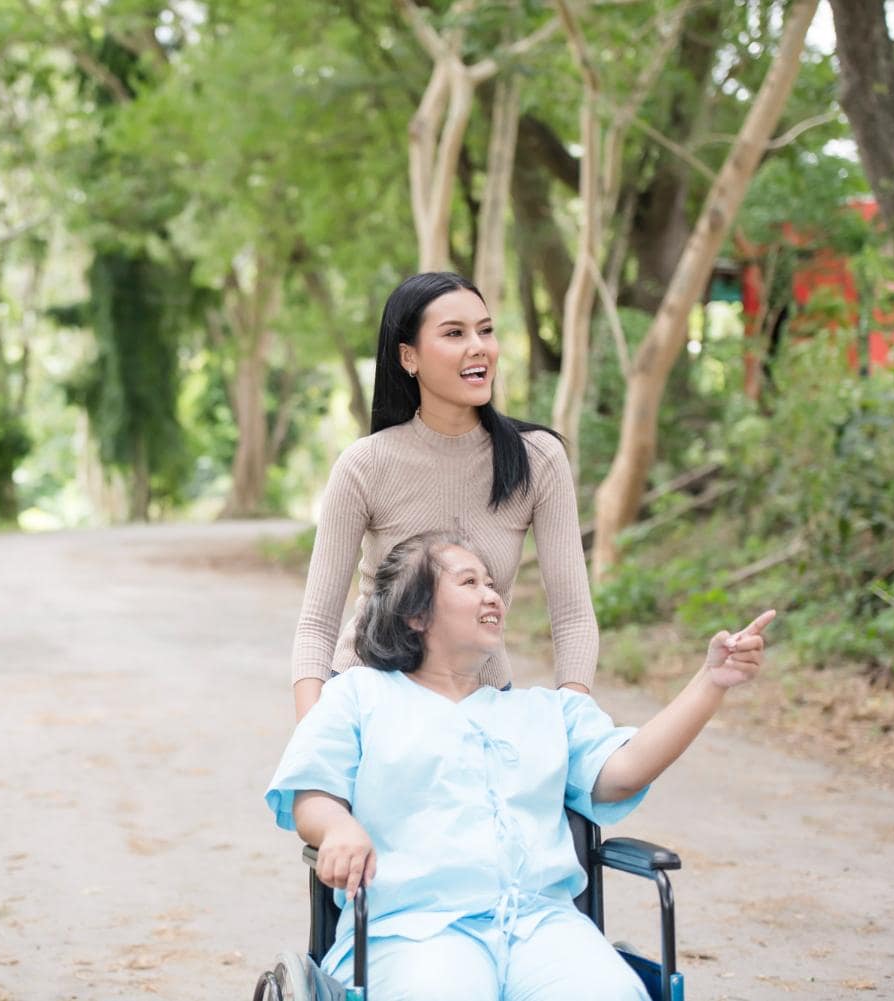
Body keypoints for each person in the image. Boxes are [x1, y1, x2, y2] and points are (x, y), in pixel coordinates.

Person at [266, 531, 774, 1000]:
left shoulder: (545, 711)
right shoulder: (359, 696)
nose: (493, 595)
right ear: (415, 614)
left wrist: (711, 682)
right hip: (416, 928)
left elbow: (626, 770)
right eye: (469, 582)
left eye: (493, 583)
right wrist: (338, 828)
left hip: (544, 927)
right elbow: (314, 791)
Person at [293, 272, 594, 721]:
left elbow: (571, 616)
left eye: (485, 330)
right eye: (454, 333)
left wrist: (575, 726)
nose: (479, 347)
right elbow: (317, 623)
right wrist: (313, 738)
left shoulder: (538, 459)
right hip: (369, 707)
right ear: (408, 357)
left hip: (484, 704)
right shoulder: (365, 464)